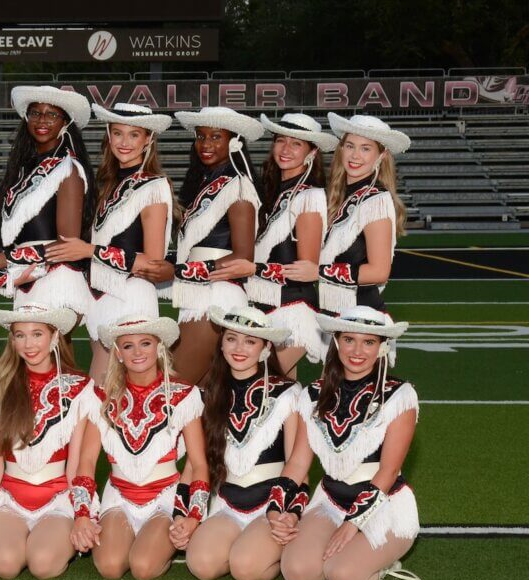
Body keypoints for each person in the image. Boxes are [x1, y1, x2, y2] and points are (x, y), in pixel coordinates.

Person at [279, 306, 421, 580]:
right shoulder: (313, 394)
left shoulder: (399, 395)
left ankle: (379, 562)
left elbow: (389, 471)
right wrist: (277, 507)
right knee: (297, 573)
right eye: (349, 340)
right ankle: (347, 554)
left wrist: (353, 524)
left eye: (368, 342)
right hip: (330, 501)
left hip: (384, 506)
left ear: (382, 347)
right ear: (336, 341)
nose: (357, 351)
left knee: (343, 578)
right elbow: (298, 462)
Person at [43, 103, 174, 383]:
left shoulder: (154, 186)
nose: (124, 142)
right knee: (106, 392)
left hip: (131, 299)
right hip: (101, 298)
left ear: (148, 139)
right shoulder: (109, 185)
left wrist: (88, 250)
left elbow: (153, 264)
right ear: (108, 136)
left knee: (108, 390)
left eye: (134, 134)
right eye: (117, 133)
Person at [71, 316, 208, 580]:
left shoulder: (184, 395)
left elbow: (199, 463)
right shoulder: (100, 397)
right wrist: (82, 514)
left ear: (159, 347)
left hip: (164, 498)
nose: (137, 352)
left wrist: (193, 516)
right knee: (110, 567)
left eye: (145, 343)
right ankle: (135, 538)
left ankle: (158, 541)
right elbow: (87, 461)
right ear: (118, 353)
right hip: (119, 498)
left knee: (143, 568)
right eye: (128, 346)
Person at [138, 106, 263, 384]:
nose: (206, 144)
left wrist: (178, 271)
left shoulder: (238, 187)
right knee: (202, 395)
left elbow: (243, 257)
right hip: (200, 293)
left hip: (216, 296)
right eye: (201, 136)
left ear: (234, 141)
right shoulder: (210, 183)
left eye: (216, 137)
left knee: (169, 387)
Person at [184, 306, 302, 580]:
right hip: (226, 503)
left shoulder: (287, 393)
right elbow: (194, 464)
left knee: (245, 568)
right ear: (221, 343)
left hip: (272, 505)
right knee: (201, 565)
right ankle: (245, 544)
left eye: (250, 341)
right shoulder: (206, 395)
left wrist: (290, 513)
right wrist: (187, 515)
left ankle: (275, 549)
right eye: (231, 339)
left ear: (266, 348)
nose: (239, 348)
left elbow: (298, 464)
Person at [0, 300, 97, 579]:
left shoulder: (80, 388)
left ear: (54, 336)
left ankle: (52, 539)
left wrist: (82, 513)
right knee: (4, 565)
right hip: (10, 499)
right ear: (12, 340)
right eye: (20, 335)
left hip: (57, 499)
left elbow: (76, 464)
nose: (28, 344)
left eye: (37, 334)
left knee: (43, 565)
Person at [0, 86, 94, 317]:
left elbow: (67, 246)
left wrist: (1, 260)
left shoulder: (68, 168)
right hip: (27, 277)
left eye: (52, 114)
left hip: (57, 278)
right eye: (35, 113)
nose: (42, 120)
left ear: (66, 122)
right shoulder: (21, 169)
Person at [241, 113, 337, 371]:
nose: (285, 149)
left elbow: (306, 270)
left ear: (312, 152)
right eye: (280, 140)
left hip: (293, 309)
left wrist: (253, 269)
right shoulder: (274, 192)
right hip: (267, 306)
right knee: (282, 391)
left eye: (296, 144)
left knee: (260, 382)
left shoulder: (310, 196)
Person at [316, 114, 410, 316]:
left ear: (381, 156)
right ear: (341, 149)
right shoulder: (338, 195)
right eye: (350, 146)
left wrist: (318, 272)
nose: (355, 155)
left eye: (365, 148)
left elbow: (379, 272)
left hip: (360, 319)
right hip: (332, 314)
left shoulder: (376, 201)